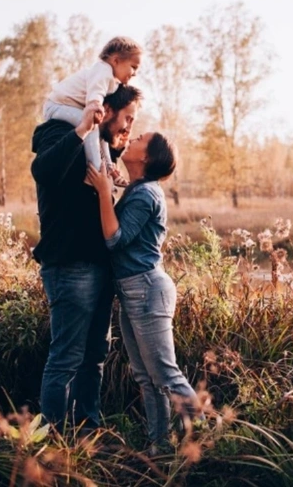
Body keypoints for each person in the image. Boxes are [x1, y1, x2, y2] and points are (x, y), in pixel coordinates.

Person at [30, 84, 142, 435]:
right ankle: (53, 439)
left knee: (94, 355)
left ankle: (87, 431)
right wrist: (81, 129)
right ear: (106, 111)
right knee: (66, 356)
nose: (128, 128)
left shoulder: (103, 149)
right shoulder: (59, 132)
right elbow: (43, 172)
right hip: (70, 263)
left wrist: (117, 150)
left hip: (98, 265)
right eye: (127, 119)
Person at [85, 132, 201, 455]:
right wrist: (117, 186)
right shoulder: (140, 190)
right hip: (134, 291)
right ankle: (159, 447)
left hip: (147, 291)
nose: (132, 137)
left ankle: (210, 436)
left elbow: (114, 239)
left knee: (165, 375)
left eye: (140, 138)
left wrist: (104, 191)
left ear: (146, 158)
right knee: (147, 378)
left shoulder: (145, 194)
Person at [42, 36, 143, 187]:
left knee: (100, 130)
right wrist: (95, 105)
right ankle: (96, 173)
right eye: (133, 67)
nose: (134, 73)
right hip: (56, 106)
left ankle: (109, 169)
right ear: (116, 61)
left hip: (69, 107)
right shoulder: (103, 71)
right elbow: (96, 92)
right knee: (92, 129)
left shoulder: (113, 81)